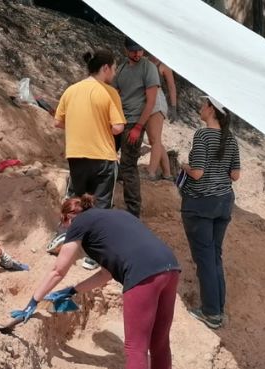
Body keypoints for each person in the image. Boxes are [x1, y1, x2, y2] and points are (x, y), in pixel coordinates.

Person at [10, 195, 181, 369]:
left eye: (65, 224)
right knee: (160, 344)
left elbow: (59, 269)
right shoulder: (114, 216)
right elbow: (107, 273)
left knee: (136, 349)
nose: (67, 230)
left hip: (142, 274)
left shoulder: (80, 223)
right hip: (169, 266)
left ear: (70, 217)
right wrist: (72, 291)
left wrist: (33, 301)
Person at [52, 48, 126, 270]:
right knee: (101, 205)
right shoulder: (109, 92)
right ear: (105, 68)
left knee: (75, 199)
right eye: (113, 68)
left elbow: (58, 122)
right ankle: (94, 254)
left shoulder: (71, 91)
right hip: (102, 156)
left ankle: (63, 239)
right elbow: (117, 127)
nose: (113, 73)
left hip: (76, 155)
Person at [180, 95, 241, 329]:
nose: (199, 106)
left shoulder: (203, 135)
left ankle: (211, 313)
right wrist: (219, 176)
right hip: (224, 202)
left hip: (200, 204)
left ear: (210, 109)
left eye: (202, 103)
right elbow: (235, 175)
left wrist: (183, 166)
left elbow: (197, 173)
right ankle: (218, 306)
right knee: (215, 255)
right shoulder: (231, 138)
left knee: (204, 258)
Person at [113, 37, 161, 218]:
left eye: (140, 50)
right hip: (119, 120)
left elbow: (151, 101)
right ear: (126, 50)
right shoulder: (123, 68)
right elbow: (113, 92)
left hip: (134, 122)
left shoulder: (148, 68)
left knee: (128, 166)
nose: (137, 53)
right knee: (106, 158)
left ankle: (133, 212)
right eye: (133, 50)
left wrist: (138, 127)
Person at [145, 55, 179, 180]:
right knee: (154, 139)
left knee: (155, 139)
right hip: (145, 100)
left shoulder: (164, 65)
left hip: (157, 101)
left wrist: (174, 107)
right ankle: (167, 173)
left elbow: (171, 86)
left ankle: (151, 171)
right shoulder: (145, 60)